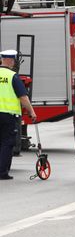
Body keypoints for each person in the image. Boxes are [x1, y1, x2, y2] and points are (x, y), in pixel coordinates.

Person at [0, 49, 37, 180]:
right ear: (9, 60)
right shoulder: (12, 76)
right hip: (8, 116)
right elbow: (23, 97)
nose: (14, 63)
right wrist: (32, 112)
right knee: (7, 142)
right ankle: (2, 173)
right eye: (14, 60)